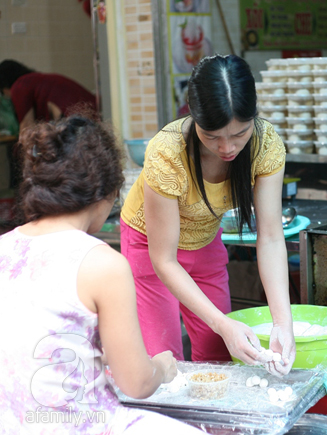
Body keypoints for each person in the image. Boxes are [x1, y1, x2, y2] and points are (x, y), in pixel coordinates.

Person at [0, 115, 206, 434]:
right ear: (105, 193)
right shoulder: (102, 263)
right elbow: (136, 383)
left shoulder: (4, 247)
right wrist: (163, 368)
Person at [120, 54, 295, 375]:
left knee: (219, 355)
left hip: (204, 240)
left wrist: (283, 323)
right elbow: (164, 260)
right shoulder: (167, 152)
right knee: (165, 362)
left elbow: (270, 237)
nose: (227, 147)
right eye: (212, 136)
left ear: (253, 118)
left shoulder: (266, 144)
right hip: (151, 248)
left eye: (239, 133)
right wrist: (221, 323)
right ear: (194, 117)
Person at [0, 60, 97, 133]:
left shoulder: (19, 86)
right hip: (93, 114)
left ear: (4, 86)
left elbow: (27, 127)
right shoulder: (36, 80)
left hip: (78, 123)